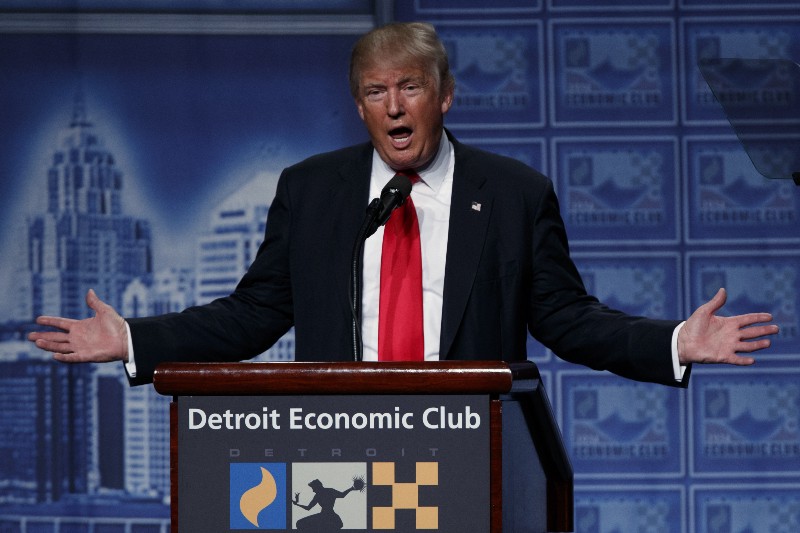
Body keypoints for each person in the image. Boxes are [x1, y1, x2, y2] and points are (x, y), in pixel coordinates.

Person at [28, 22, 777, 388]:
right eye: (376, 92)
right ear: (358, 107)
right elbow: (253, 312)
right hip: (338, 451)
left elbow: (567, 319)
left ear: (443, 96)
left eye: (410, 87)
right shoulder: (313, 191)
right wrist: (134, 339)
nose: (394, 105)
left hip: (470, 446)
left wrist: (674, 341)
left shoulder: (513, 195)